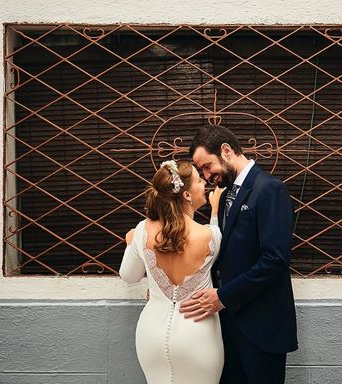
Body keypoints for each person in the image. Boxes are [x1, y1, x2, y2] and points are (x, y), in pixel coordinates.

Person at [180, 125, 298, 384]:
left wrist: (223, 297)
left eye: (208, 166)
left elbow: (275, 260)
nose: (207, 176)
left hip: (262, 328)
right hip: (228, 328)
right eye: (202, 172)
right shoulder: (223, 198)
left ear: (226, 150)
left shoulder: (270, 189)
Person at [119, 159, 224, 384]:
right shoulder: (210, 236)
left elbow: (129, 275)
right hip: (198, 335)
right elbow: (214, 237)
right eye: (198, 180)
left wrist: (131, 243)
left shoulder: (142, 230)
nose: (204, 183)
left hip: (151, 335)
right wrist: (215, 210)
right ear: (186, 195)